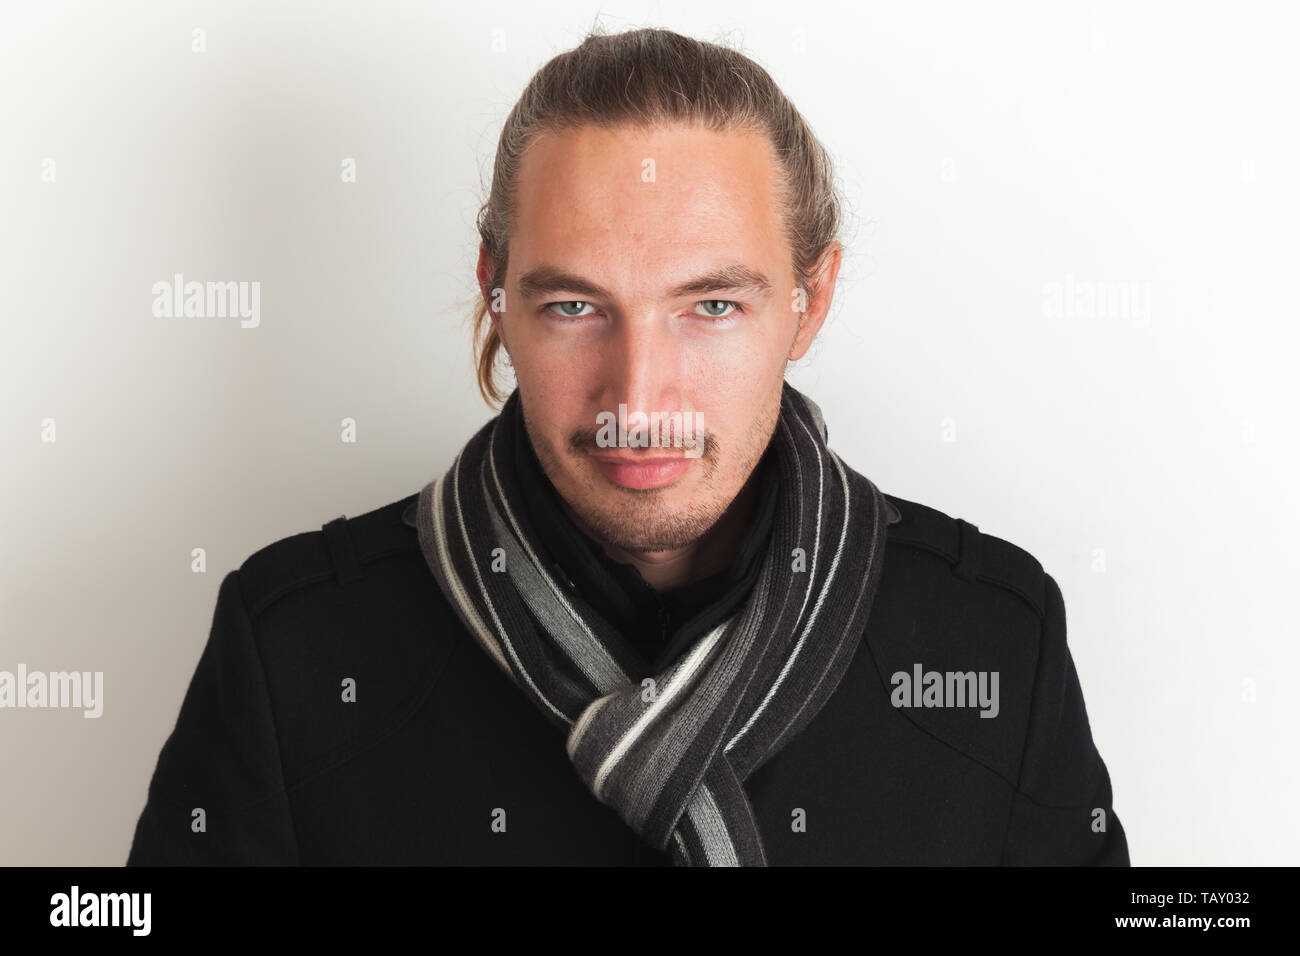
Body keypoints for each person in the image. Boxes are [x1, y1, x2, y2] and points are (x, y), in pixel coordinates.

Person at [126, 26, 1128, 866]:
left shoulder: (991, 639)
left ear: (807, 301)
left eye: (712, 305)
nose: (637, 397)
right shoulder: (295, 647)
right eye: (572, 305)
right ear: (496, 291)